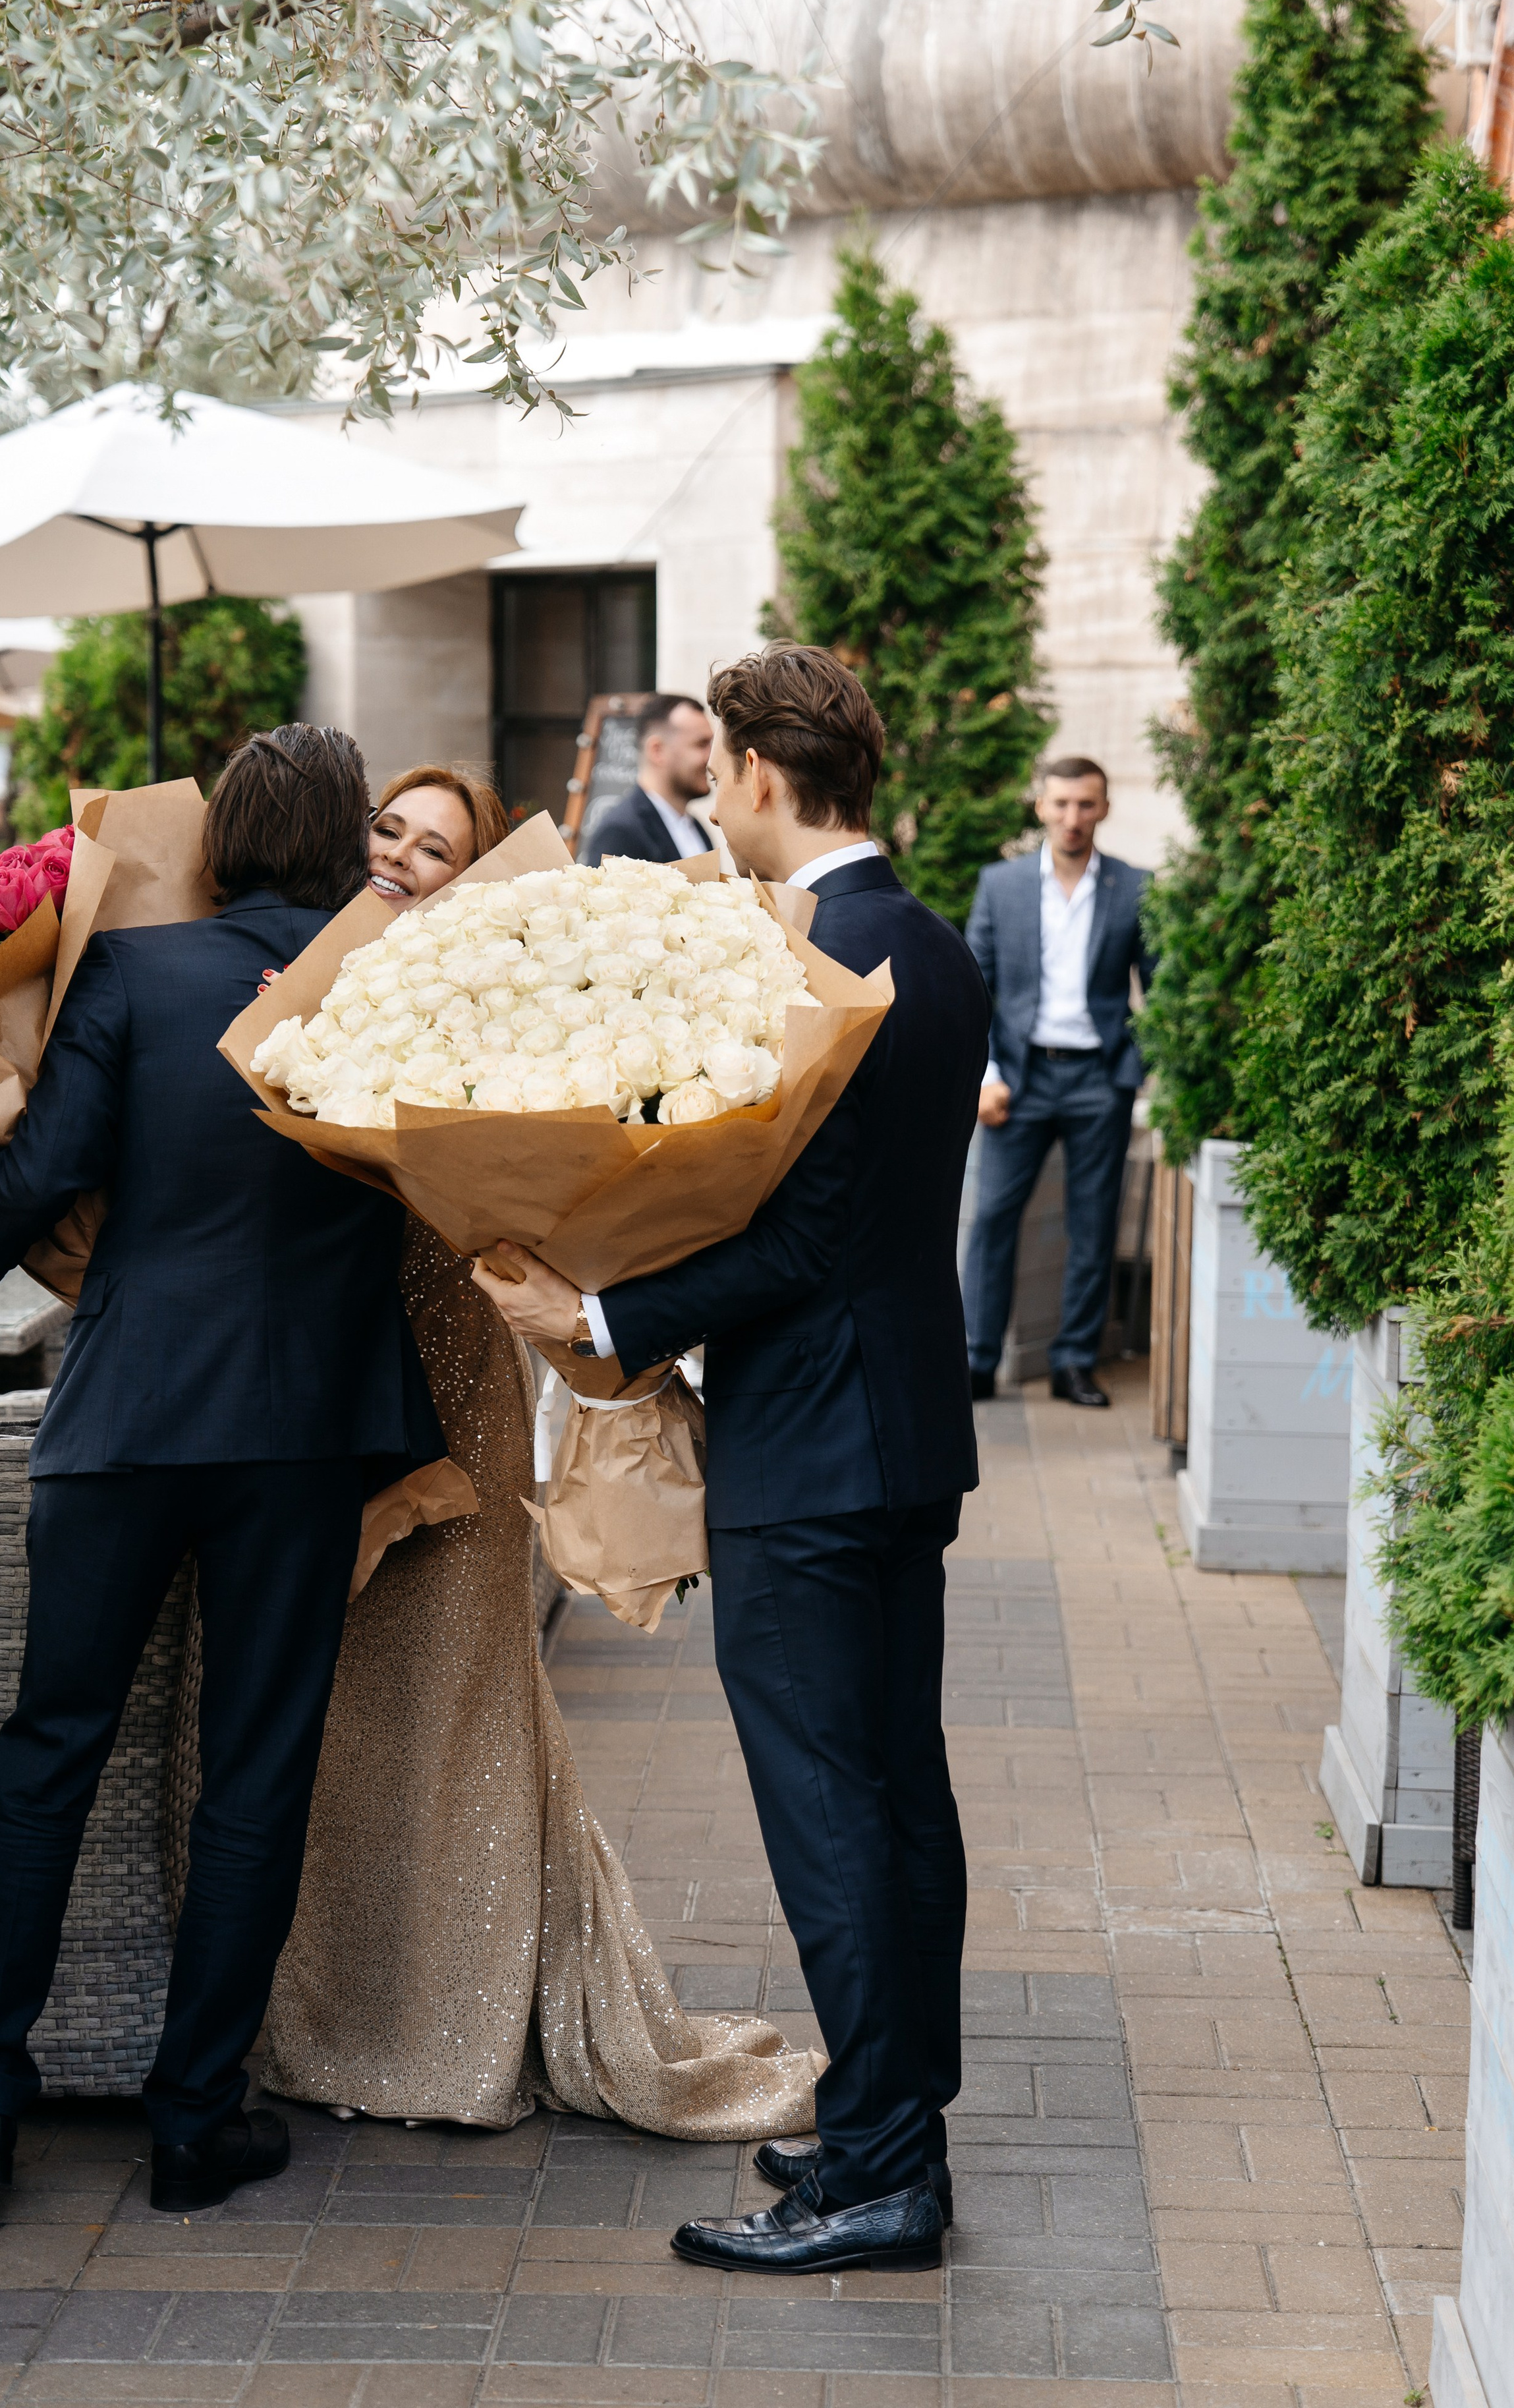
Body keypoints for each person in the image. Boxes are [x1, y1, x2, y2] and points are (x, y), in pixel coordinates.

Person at [473, 645, 990, 2278]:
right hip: (899, 1427)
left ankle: (883, 2179)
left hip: (817, 1446)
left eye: (717, 778)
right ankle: (888, 2110)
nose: (710, 801)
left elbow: (806, 1236)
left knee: (831, 1809)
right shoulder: (932, 940)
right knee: (897, 1789)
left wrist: (596, 1300)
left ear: (766, 777)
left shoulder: (825, 958)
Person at [0, 728, 447, 2217]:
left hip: (125, 1418)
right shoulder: (386, 987)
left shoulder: (136, 972)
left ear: (213, 842)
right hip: (299, 1432)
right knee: (253, 1777)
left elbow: (40, 1168)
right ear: (348, 842)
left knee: (48, 1755)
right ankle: (195, 2118)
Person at [261, 760, 821, 2144]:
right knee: (335, 1708)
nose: (400, 852)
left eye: (436, 846)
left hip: (456, 1373)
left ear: (476, 882)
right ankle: (339, 2003)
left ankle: (460, 2015)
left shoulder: (513, 994)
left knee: (455, 1691)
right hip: (321, 1402)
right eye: (388, 827)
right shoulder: (302, 989)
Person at [961, 755, 1154, 1411]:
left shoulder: (1134, 887)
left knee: (1094, 1224)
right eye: (1061, 804)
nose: (1073, 817)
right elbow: (973, 990)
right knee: (990, 1219)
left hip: (1099, 1079)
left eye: (1086, 805)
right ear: (1039, 806)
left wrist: (1141, 1066)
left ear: (1102, 809)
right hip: (1018, 1078)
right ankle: (976, 1361)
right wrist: (984, 1074)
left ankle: (1074, 1363)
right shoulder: (1002, 885)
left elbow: (1165, 990)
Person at [578, 693, 714, 864]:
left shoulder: (698, 828)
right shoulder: (621, 833)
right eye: (701, 744)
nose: (711, 759)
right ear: (657, 750)